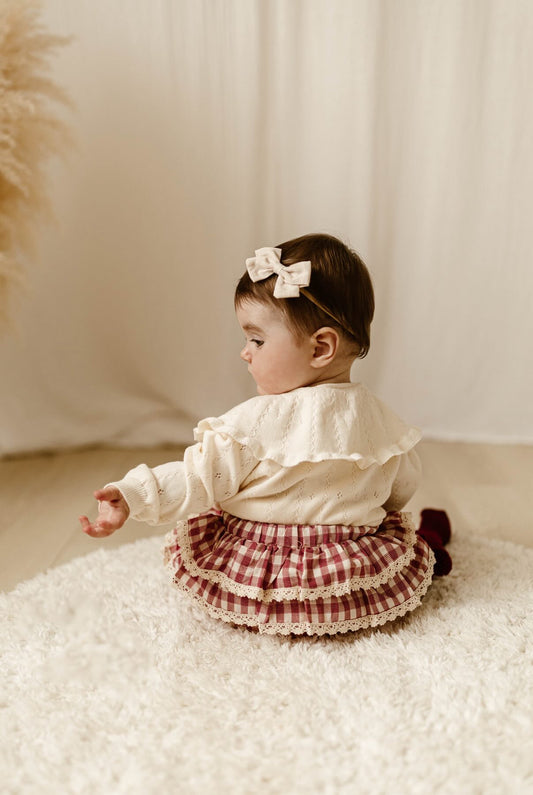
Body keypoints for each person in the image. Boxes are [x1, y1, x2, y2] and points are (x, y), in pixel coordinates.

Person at [79, 233, 451, 636]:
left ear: (320, 347)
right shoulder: (377, 418)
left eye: (256, 339)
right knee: (411, 541)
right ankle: (430, 542)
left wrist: (132, 494)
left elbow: (195, 477)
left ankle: (426, 543)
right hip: (344, 576)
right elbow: (400, 488)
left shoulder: (253, 421)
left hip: (263, 574)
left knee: (214, 513)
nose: (245, 352)